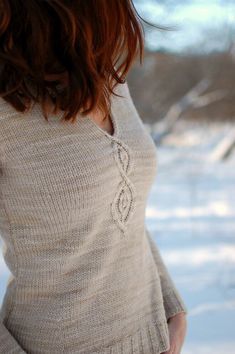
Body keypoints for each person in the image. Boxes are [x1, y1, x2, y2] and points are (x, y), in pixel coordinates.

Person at [0, 1, 188, 353]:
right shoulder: (7, 110)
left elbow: (121, 212)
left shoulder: (111, 86)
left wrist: (170, 303)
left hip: (152, 340)